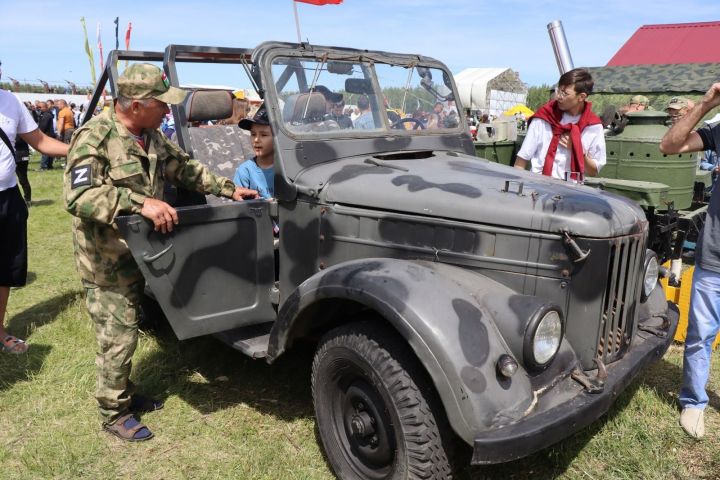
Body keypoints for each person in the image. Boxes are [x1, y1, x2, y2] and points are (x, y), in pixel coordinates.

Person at [63, 63, 259, 442]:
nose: (168, 111)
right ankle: (114, 411)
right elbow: (79, 197)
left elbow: (183, 169)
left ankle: (124, 390)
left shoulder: (150, 135)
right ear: (136, 105)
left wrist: (228, 189)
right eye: (161, 105)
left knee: (131, 323)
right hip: (106, 259)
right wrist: (139, 203)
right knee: (117, 334)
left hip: (143, 252)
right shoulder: (94, 137)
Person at [659, 81, 720, 439]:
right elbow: (670, 144)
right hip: (715, 255)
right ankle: (694, 402)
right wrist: (706, 103)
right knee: (700, 334)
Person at [0, 60, 68, 355]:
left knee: (4, 268)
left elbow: (40, 141)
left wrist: (83, 148)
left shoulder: (10, 101)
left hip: (7, 197)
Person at [515, 68, 606, 181]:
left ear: (581, 97)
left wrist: (577, 149)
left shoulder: (593, 126)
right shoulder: (544, 117)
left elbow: (593, 171)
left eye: (565, 93)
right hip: (537, 186)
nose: (558, 96)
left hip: (571, 192)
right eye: (559, 91)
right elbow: (522, 160)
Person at [233, 104, 274, 199]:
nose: (256, 140)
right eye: (253, 134)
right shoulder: (245, 171)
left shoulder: (288, 169)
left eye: (264, 135)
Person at [36, 101, 56, 170]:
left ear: (45, 107)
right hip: (49, 135)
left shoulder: (46, 115)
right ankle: (49, 165)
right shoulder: (46, 114)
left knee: (45, 151)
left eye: (40, 107)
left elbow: (43, 126)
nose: (39, 109)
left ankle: (44, 166)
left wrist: (38, 132)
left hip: (47, 135)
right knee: (50, 151)